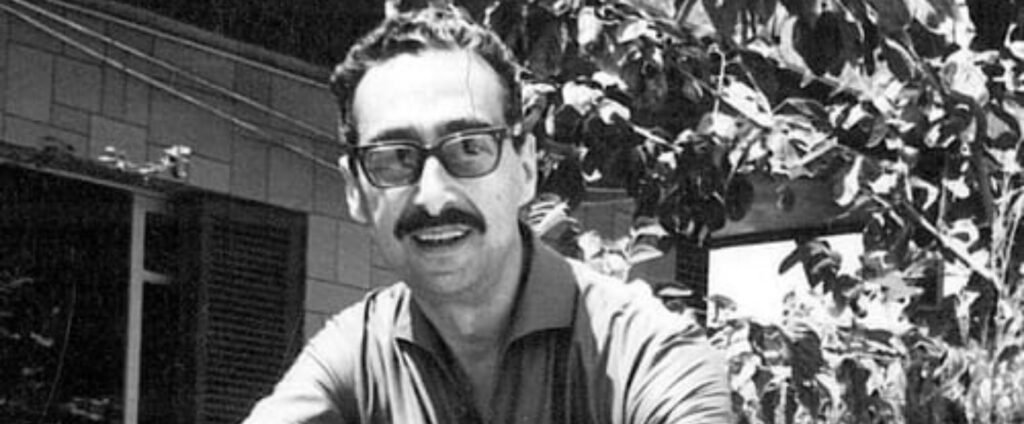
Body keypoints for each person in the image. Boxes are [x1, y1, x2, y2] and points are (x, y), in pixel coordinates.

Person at [243, 6, 732, 423]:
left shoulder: (646, 356)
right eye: (395, 158)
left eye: (469, 148)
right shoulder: (356, 356)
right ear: (355, 190)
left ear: (526, 167)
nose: (433, 195)